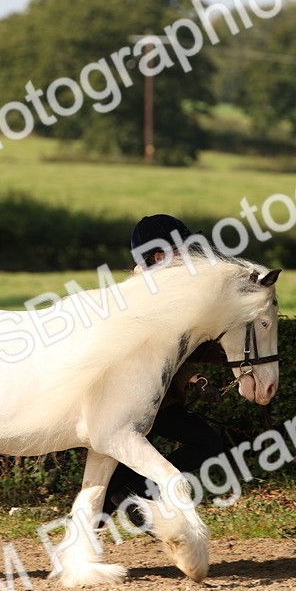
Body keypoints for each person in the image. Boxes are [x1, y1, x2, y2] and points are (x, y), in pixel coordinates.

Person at [101, 214, 226, 527]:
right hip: (139, 402)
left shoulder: (162, 292)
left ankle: (107, 513)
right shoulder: (143, 299)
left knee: (109, 482)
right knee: (207, 444)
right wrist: (194, 379)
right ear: (159, 257)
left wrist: (197, 380)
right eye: (182, 250)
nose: (190, 256)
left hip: (154, 401)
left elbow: (173, 353)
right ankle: (131, 497)